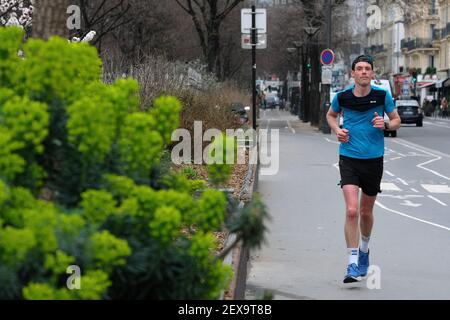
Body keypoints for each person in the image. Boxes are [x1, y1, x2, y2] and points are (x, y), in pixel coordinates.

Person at [326, 55, 401, 283]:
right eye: (359, 69)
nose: (363, 72)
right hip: (349, 158)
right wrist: (337, 130)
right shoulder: (342, 97)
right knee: (351, 210)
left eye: (367, 69)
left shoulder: (382, 95)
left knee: (366, 212)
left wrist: (386, 124)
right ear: (353, 74)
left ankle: (365, 250)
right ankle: (351, 263)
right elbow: (330, 115)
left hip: (373, 160)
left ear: (372, 74)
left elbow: (396, 120)